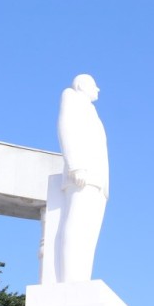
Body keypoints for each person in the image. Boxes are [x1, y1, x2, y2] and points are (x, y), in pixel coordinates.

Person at [56, 73, 109, 283]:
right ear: (82, 85)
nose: (98, 90)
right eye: (95, 85)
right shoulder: (71, 96)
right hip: (82, 173)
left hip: (97, 180)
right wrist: (75, 165)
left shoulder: (92, 111)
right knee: (76, 223)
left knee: (90, 231)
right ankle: (70, 279)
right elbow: (65, 128)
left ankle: (82, 279)